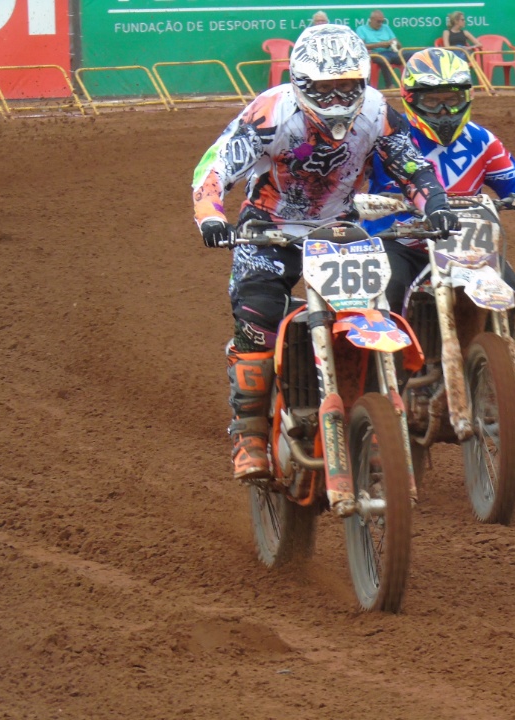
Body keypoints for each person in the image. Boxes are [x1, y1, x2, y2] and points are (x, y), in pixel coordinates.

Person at [191, 24, 459, 484]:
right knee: (258, 319)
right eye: (326, 89)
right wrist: (212, 217)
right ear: (302, 83)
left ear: (363, 82)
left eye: (347, 87)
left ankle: (370, 421)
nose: (337, 100)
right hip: (268, 230)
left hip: (340, 230)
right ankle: (250, 433)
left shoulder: (375, 110)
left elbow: (410, 163)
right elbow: (215, 167)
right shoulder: (271, 113)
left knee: (371, 313)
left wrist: (434, 202)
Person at [365, 48, 515, 332]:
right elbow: (346, 180)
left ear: (466, 98)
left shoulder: (481, 140)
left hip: (464, 245)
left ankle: (487, 358)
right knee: (388, 295)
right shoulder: (389, 140)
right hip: (399, 242)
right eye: (432, 101)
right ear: (411, 99)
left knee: (514, 294)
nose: (444, 111)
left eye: (452, 100)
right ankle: (386, 370)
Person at [355, 10, 414, 78]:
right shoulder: (361, 29)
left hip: (390, 53)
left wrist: (394, 43)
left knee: (412, 55)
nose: (380, 24)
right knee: (384, 60)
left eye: (382, 21)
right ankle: (390, 85)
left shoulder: (386, 27)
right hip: (375, 54)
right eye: (378, 21)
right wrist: (380, 45)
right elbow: (361, 47)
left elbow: (399, 46)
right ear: (371, 20)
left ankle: (413, 82)